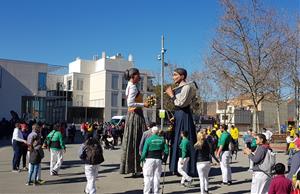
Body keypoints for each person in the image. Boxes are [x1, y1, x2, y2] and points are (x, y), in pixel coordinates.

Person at [165, 67, 197, 176]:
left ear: (182, 76)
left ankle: (187, 168)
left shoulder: (187, 87)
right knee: (175, 140)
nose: (173, 77)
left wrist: (171, 95)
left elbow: (181, 103)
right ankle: (175, 167)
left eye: (175, 75)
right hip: (178, 115)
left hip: (184, 115)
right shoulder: (179, 87)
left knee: (183, 139)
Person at [120, 68, 149, 176]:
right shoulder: (132, 87)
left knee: (133, 140)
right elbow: (130, 103)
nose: (139, 77)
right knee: (138, 140)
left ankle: (134, 167)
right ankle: (137, 168)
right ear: (133, 76)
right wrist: (144, 104)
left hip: (133, 115)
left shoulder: (130, 86)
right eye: (138, 75)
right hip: (136, 115)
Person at [140, 126, 169, 194]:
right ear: (158, 132)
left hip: (149, 159)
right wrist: (164, 159)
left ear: (152, 132)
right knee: (157, 177)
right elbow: (167, 151)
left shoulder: (149, 140)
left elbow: (144, 152)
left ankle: (147, 192)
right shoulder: (162, 139)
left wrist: (142, 159)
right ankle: (156, 192)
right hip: (158, 159)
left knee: (148, 177)